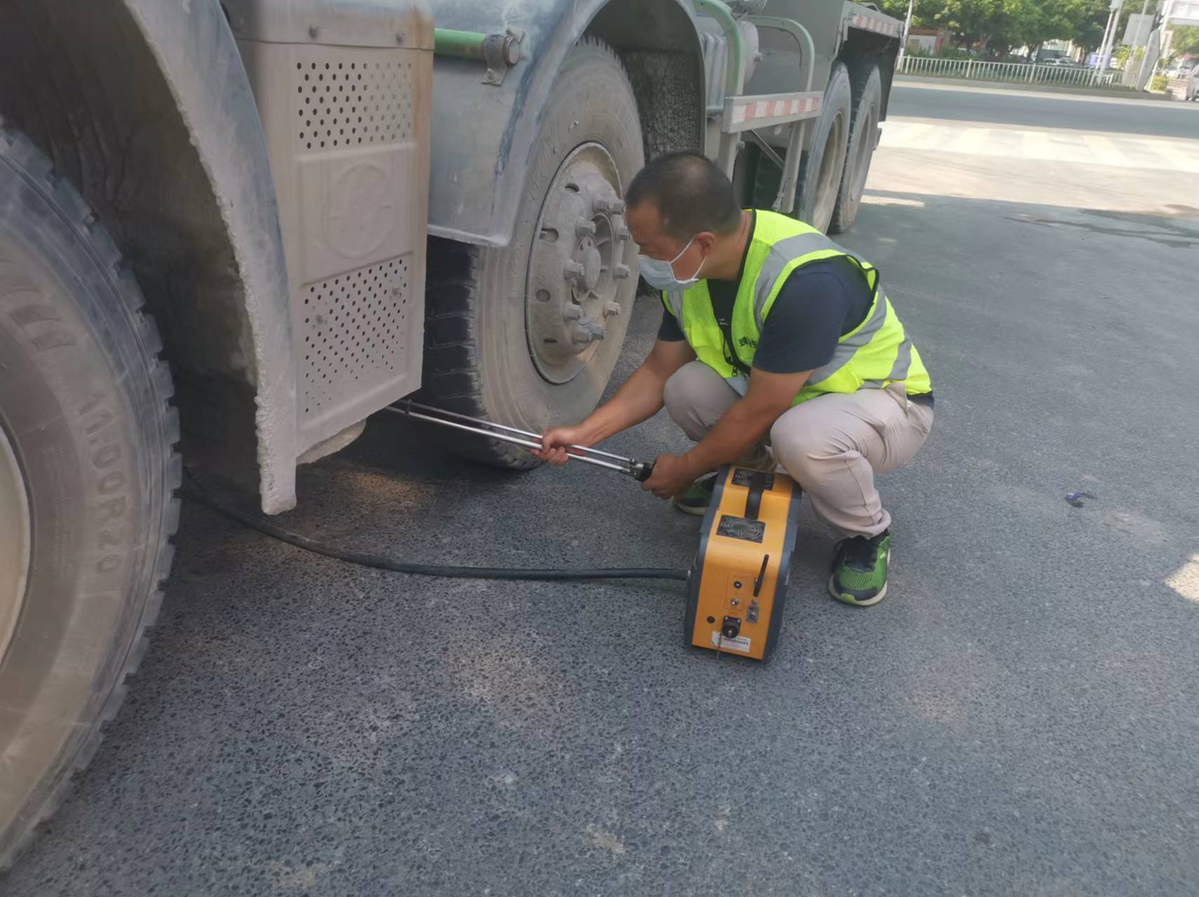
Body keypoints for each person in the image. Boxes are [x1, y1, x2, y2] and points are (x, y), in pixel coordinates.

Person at [537, 151, 933, 607]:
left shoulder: (803, 281)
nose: (643, 258)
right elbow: (656, 371)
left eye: (651, 249)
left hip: (887, 404)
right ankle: (750, 471)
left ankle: (866, 533)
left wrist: (686, 469)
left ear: (702, 243)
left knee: (798, 436)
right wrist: (583, 434)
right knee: (685, 388)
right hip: (796, 398)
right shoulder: (692, 274)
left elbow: (762, 408)